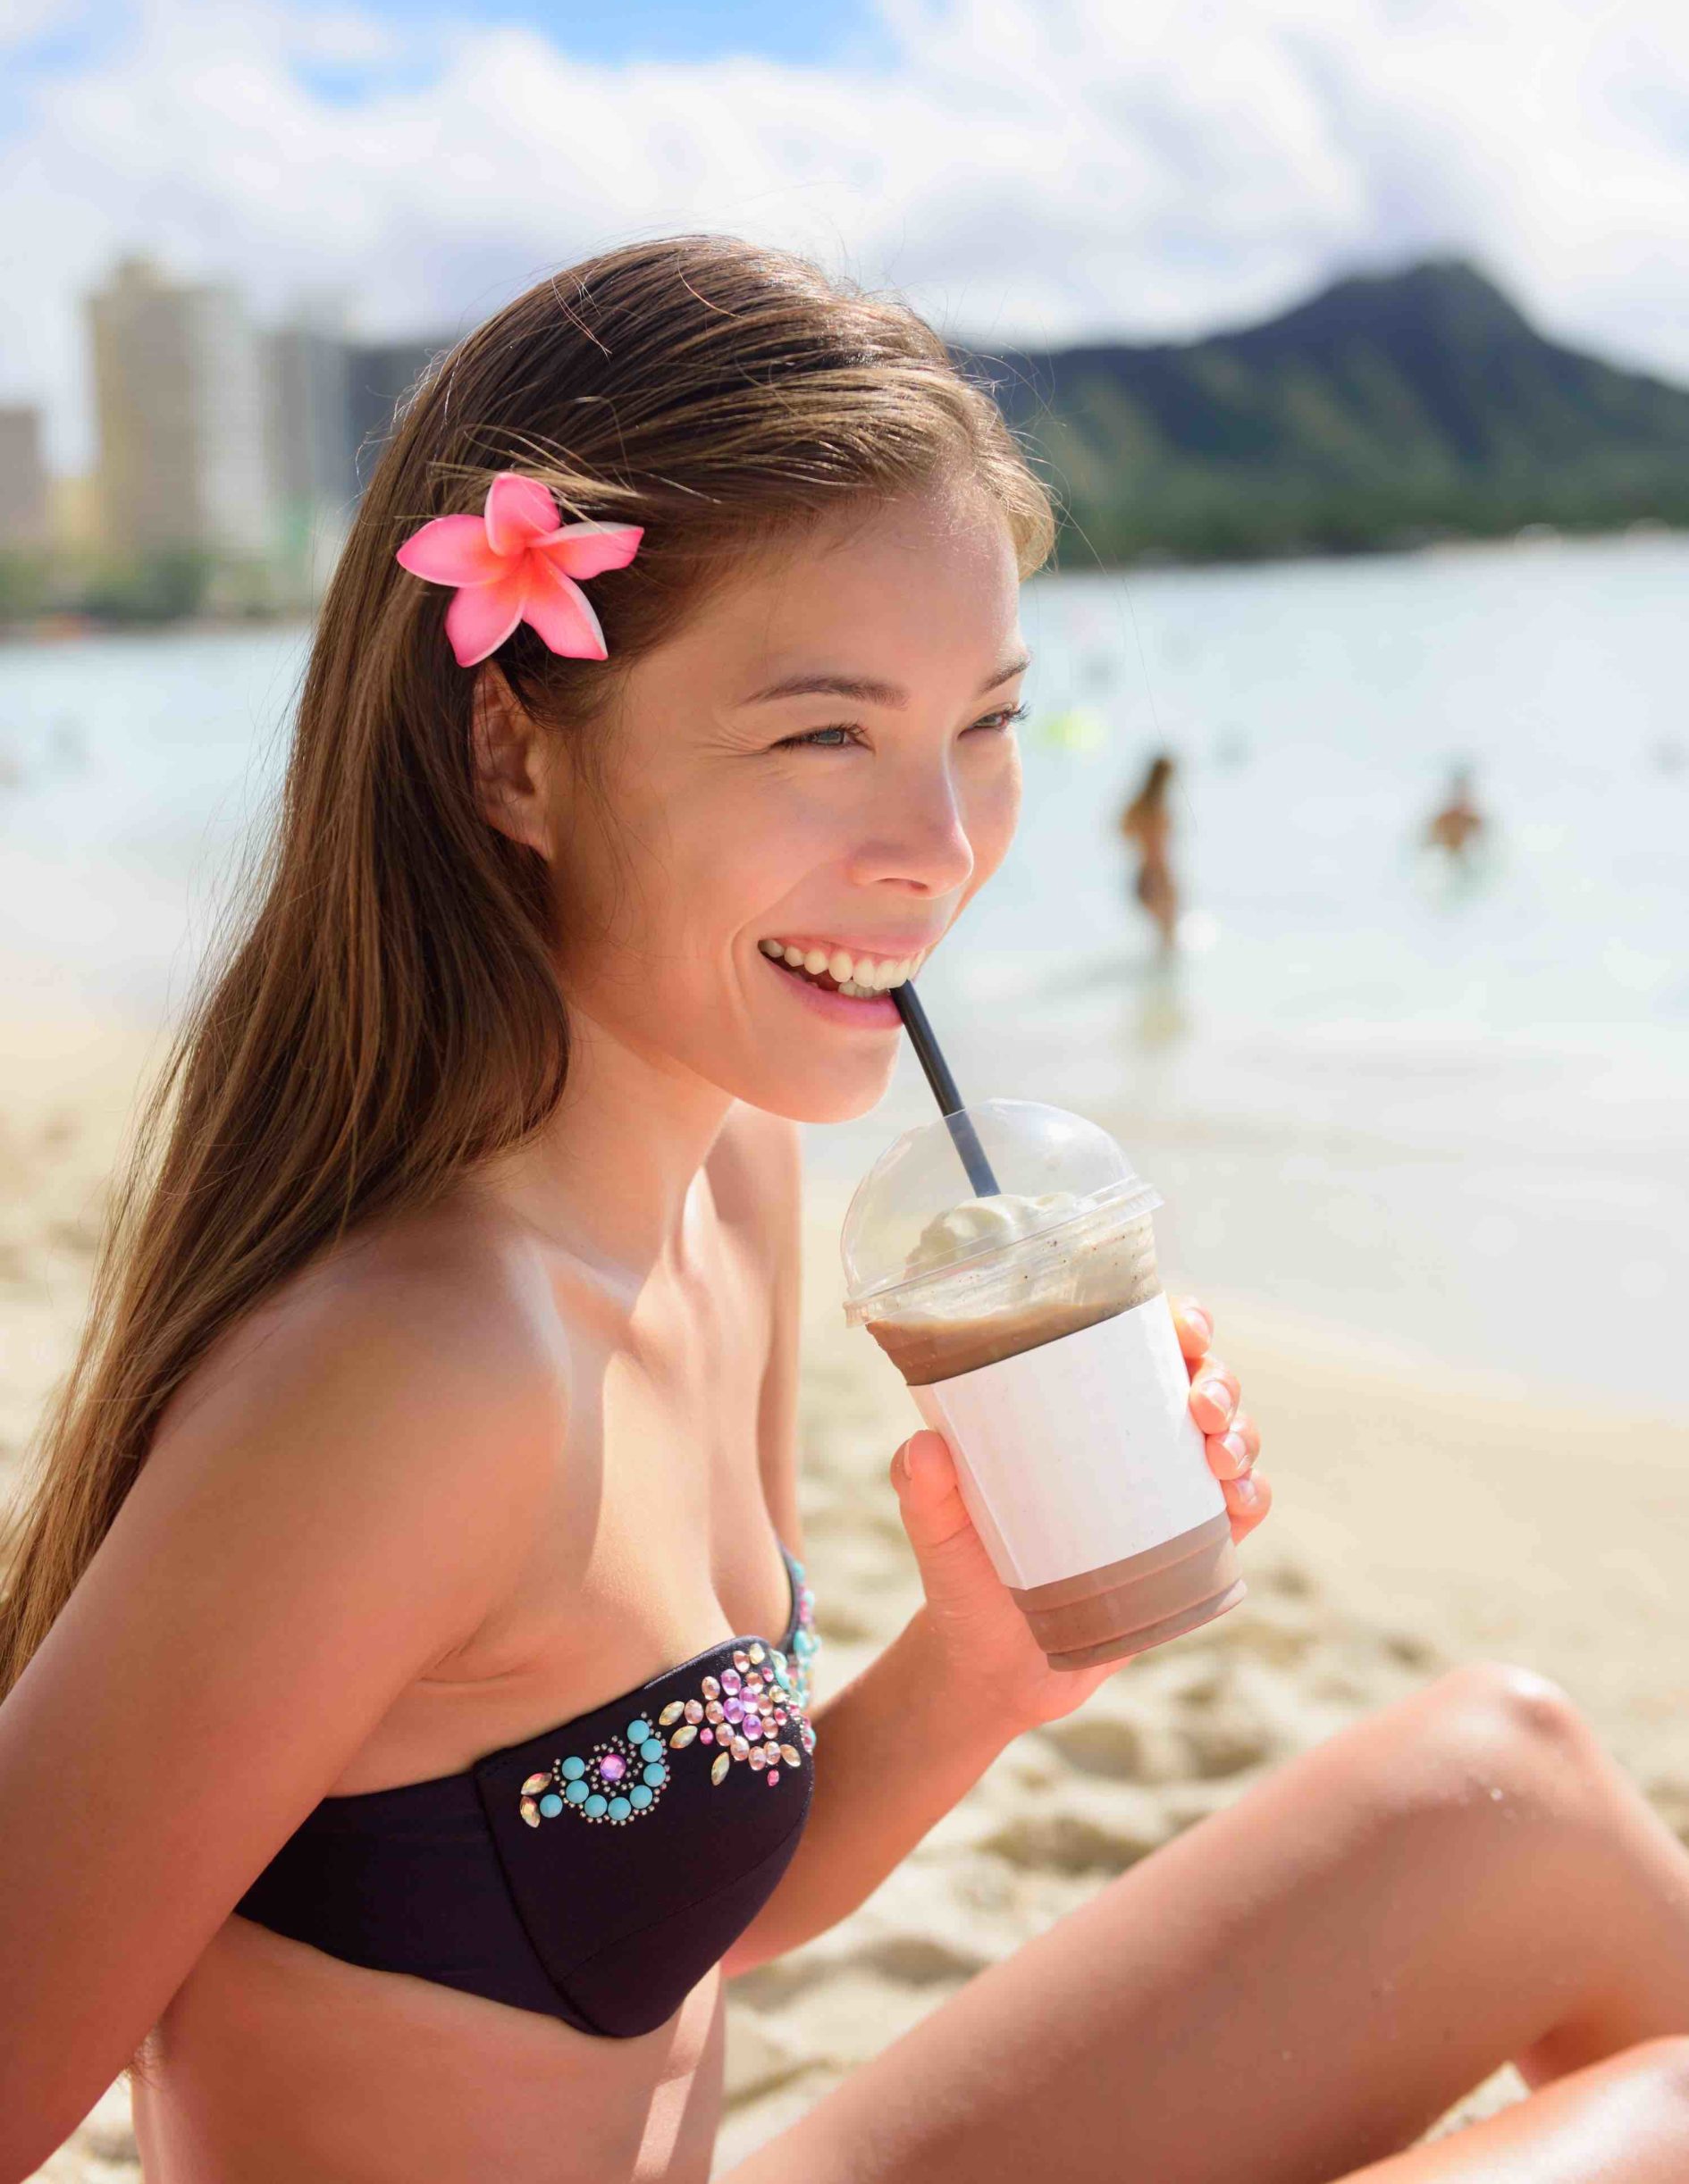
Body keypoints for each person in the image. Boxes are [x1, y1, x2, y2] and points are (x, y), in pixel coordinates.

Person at [1, 239, 1687, 2184]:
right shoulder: (415, 1375)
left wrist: (991, 1660)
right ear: (514, 750)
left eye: (984, 720)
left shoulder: (724, 1176)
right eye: (828, 732)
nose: (944, 848)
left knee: (1522, 1789)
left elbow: (669, 1907)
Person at [1119, 751, 1181, 953]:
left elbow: (1123, 832)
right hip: (1158, 874)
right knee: (1168, 935)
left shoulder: (1137, 806)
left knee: (1161, 935)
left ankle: (1156, 981)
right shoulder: (1158, 809)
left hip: (1143, 874)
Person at [1424, 764, 1487, 864]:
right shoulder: (1442, 820)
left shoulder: (1475, 821)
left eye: (1463, 791)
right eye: (1456, 791)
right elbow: (1426, 845)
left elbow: (1485, 847)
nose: (1459, 796)